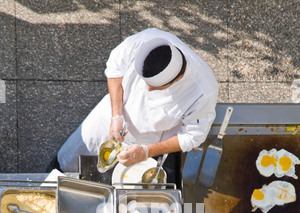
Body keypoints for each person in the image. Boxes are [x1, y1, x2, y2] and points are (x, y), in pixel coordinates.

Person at [57, 27, 218, 172]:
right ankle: (59, 169)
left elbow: (192, 136)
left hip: (148, 139)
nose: (148, 89)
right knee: (71, 157)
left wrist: (146, 152)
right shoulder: (147, 40)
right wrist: (116, 115)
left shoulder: (203, 92)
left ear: (179, 77)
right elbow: (114, 68)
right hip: (112, 114)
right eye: (147, 83)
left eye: (156, 87)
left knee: (120, 180)